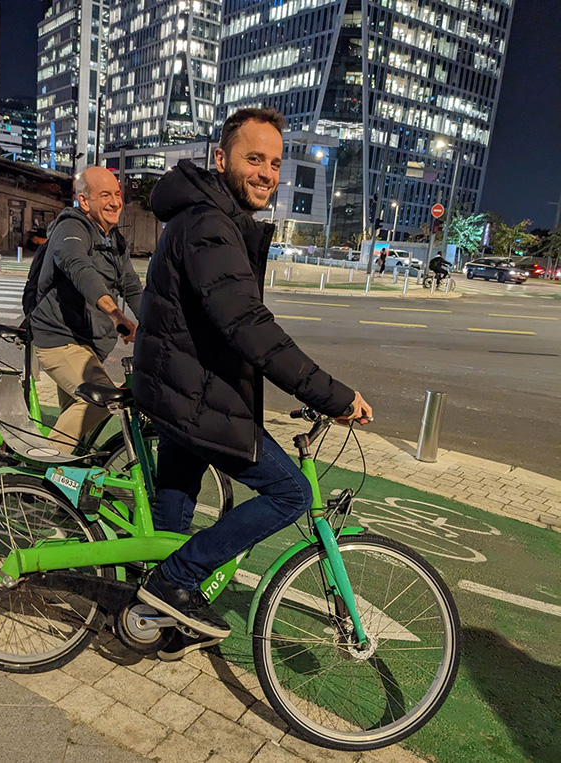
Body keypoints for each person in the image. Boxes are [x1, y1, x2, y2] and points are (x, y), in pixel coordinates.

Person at [131, 107, 372, 661]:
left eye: (275, 163)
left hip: (182, 385)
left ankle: (154, 613)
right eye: (253, 158)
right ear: (222, 160)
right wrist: (331, 396)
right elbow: (249, 328)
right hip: (190, 392)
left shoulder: (208, 215)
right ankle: (173, 583)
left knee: (176, 507)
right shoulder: (209, 224)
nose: (267, 172)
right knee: (292, 493)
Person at [29, 166, 143, 453]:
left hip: (87, 343)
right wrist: (116, 314)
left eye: (117, 194)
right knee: (101, 399)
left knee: (76, 427)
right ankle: (46, 472)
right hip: (59, 338)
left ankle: (61, 476)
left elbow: (132, 287)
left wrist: (156, 326)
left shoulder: (114, 239)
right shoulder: (70, 229)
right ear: (84, 201)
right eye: (105, 195)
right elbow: (80, 270)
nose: (115, 202)